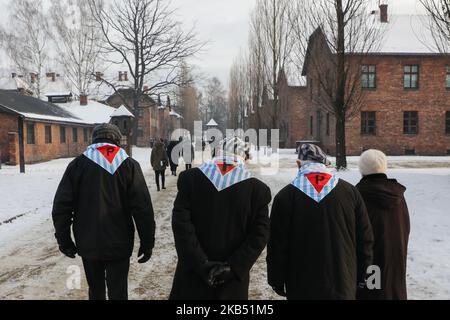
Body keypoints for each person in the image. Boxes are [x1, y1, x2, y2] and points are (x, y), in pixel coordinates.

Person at [52, 123, 155, 300]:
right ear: (117, 140)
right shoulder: (129, 165)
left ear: (94, 139)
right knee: (118, 292)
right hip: (120, 243)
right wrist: (147, 242)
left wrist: (65, 241)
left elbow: (61, 207)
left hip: (88, 242)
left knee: (96, 291)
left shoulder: (77, 165)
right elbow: (143, 209)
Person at [267, 144, 374, 300]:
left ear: (299, 164)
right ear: (325, 164)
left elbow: (277, 244)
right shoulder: (350, 192)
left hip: (301, 284)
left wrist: (276, 279)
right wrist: (362, 274)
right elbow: (365, 239)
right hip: (342, 281)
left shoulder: (285, 197)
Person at [170, 137, 271, 300]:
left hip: (193, 276)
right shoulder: (257, 190)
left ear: (217, 152)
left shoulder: (190, 179)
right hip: (231, 284)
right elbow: (260, 235)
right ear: (242, 156)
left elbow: (181, 226)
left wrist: (201, 264)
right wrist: (233, 267)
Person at [356, 149, 410, 300]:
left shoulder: (357, 196)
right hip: (395, 266)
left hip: (369, 270)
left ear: (361, 169)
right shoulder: (397, 196)